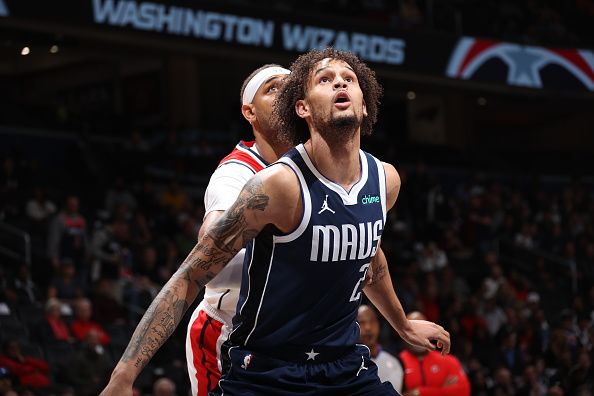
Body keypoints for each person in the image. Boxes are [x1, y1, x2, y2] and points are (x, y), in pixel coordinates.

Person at [100, 48, 450, 396]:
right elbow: (191, 273)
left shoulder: (385, 180)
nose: (339, 82)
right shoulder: (275, 185)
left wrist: (403, 325)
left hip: (344, 366)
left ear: (364, 104)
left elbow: (367, 256)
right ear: (303, 108)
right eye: (324, 80)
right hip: (269, 369)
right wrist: (122, 377)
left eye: (348, 78)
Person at [184, 64, 291, 396]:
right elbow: (212, 253)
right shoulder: (237, 172)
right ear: (250, 112)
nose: (285, 93)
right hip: (230, 335)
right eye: (272, 89)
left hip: (291, 334)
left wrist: (401, 323)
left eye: (291, 87)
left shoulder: (315, 165)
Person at [399, 311, 470, 396]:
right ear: (403, 333)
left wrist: (418, 392)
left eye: (422, 329)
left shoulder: (448, 360)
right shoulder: (397, 362)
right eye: (411, 330)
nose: (417, 334)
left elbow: (463, 391)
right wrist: (442, 391)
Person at [358, 304, 404, 392]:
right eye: (362, 322)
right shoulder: (345, 363)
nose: (368, 327)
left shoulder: (395, 358)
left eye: (372, 321)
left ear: (379, 324)